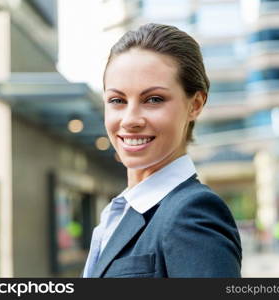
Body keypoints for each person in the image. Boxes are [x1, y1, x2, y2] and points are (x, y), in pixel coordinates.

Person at [82, 23, 242, 278]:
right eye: (117, 100)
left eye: (153, 99)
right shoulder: (119, 214)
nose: (130, 119)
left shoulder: (192, 213)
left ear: (195, 105)